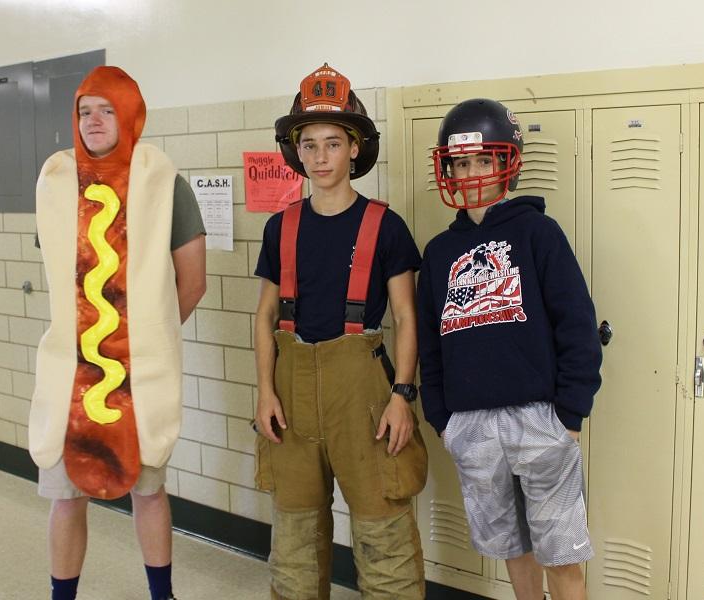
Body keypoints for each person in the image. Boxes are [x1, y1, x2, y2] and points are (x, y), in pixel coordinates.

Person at [29, 66, 206, 600]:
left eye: (107, 109)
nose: (94, 121)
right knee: (65, 496)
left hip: (140, 378)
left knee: (149, 492)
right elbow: (65, 284)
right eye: (85, 111)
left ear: (131, 115)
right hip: (71, 377)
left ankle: (162, 595)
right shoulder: (57, 186)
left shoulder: (165, 184)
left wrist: (146, 342)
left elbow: (191, 283)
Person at [253, 63, 427, 600]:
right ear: (296, 151)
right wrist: (264, 392)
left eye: (333, 143)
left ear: (355, 149)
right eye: (310, 145)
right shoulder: (279, 227)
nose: (321, 156)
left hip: (366, 398)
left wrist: (402, 396)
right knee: (296, 541)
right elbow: (263, 317)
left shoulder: (386, 225)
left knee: (384, 535)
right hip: (291, 393)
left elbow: (405, 317)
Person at [417, 98, 602, 600]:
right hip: (471, 425)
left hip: (539, 418)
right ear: (448, 168)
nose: (472, 172)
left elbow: (577, 326)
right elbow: (431, 347)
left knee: (560, 553)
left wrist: (569, 413)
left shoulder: (538, 233)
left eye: (483, 160)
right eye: (461, 162)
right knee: (513, 550)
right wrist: (443, 418)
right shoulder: (437, 253)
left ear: (506, 164)